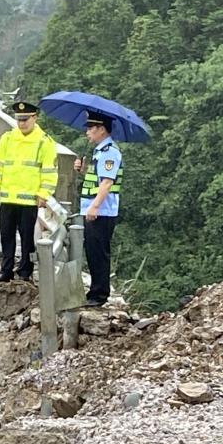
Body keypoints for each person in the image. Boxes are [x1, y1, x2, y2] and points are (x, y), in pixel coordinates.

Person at [0, 100, 57, 283]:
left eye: (25, 120)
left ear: (34, 118)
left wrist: (43, 194)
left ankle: (25, 272)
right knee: (6, 237)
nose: (22, 123)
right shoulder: (8, 139)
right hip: (8, 198)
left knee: (27, 239)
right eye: (19, 120)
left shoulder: (44, 142)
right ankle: (6, 271)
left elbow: (49, 172)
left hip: (29, 200)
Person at [75, 111, 122, 306]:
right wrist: (82, 170)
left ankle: (99, 294)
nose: (87, 132)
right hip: (93, 210)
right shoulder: (99, 152)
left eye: (90, 128)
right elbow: (96, 179)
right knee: (92, 251)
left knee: (99, 252)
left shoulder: (110, 152)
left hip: (102, 211)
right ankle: (94, 291)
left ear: (101, 129)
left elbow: (107, 183)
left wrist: (94, 206)